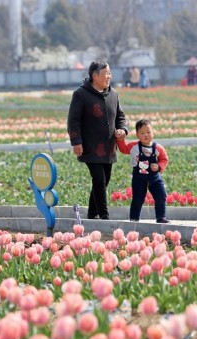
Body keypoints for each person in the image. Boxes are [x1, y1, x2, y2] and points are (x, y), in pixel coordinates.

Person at [67, 59, 128, 220]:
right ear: (95, 76)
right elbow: (73, 121)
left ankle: (92, 214)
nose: (109, 76)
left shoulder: (113, 94)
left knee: (104, 180)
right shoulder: (81, 94)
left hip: (109, 147)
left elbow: (120, 116)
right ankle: (104, 215)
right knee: (99, 179)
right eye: (106, 73)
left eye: (110, 73)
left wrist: (122, 129)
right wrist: (76, 142)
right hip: (89, 147)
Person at [115, 119, 169, 223]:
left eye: (148, 132)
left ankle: (161, 217)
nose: (146, 135)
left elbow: (164, 159)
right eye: (142, 133)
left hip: (154, 178)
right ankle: (134, 219)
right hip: (139, 178)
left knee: (161, 195)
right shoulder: (134, 146)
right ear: (137, 135)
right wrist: (120, 139)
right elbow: (123, 149)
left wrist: (158, 167)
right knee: (137, 199)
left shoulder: (158, 148)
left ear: (153, 133)